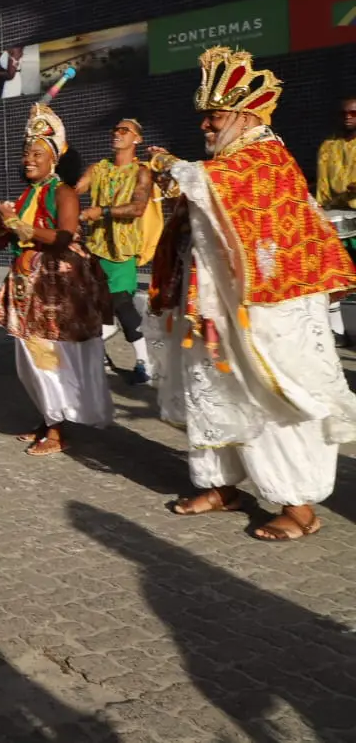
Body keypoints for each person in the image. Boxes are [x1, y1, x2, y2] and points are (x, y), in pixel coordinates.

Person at [146, 47, 356, 542]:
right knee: (215, 391)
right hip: (219, 307)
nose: (205, 126)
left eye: (214, 116)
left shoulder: (265, 157)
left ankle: (297, 503)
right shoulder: (232, 160)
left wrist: (176, 168)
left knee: (271, 395)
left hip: (267, 311)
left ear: (244, 114)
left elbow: (221, 187)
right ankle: (221, 485)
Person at [0, 105, 113, 456]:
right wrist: (0, 230)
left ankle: (56, 432)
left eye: (37, 153)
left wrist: (17, 225)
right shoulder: (27, 195)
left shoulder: (64, 193)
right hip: (29, 286)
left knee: (51, 355)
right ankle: (47, 419)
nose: (29, 158)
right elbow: (11, 240)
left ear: (54, 159)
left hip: (56, 288)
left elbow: (64, 236)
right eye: (27, 152)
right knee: (30, 356)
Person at [77, 119, 155, 383]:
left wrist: (102, 211)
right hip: (96, 249)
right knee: (94, 308)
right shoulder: (98, 168)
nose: (117, 134)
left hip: (122, 251)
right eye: (115, 129)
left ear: (137, 139)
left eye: (124, 130)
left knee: (122, 305)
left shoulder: (141, 172)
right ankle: (101, 357)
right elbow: (75, 188)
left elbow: (138, 208)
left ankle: (145, 363)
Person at [315, 94, 356, 212]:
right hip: (338, 211)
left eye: (353, 113)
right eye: (343, 114)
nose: (348, 117)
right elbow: (323, 185)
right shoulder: (328, 145)